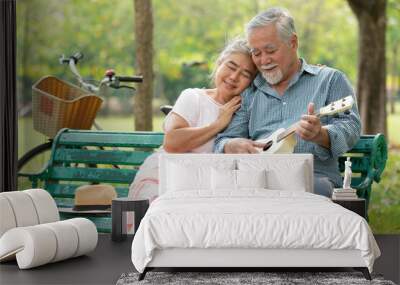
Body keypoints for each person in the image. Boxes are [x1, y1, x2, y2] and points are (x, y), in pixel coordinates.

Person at [214, 7, 361, 197]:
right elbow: (223, 140)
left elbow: (351, 126)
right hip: (257, 181)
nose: (263, 60)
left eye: (270, 50)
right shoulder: (250, 92)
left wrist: (321, 134)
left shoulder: (330, 80)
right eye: (256, 53)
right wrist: (230, 145)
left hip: (311, 179)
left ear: (293, 42)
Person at [128, 38, 257, 202]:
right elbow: (172, 142)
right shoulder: (194, 97)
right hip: (162, 180)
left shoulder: (245, 112)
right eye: (231, 66)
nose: (234, 76)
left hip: (200, 191)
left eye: (245, 74)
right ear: (219, 63)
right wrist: (217, 125)